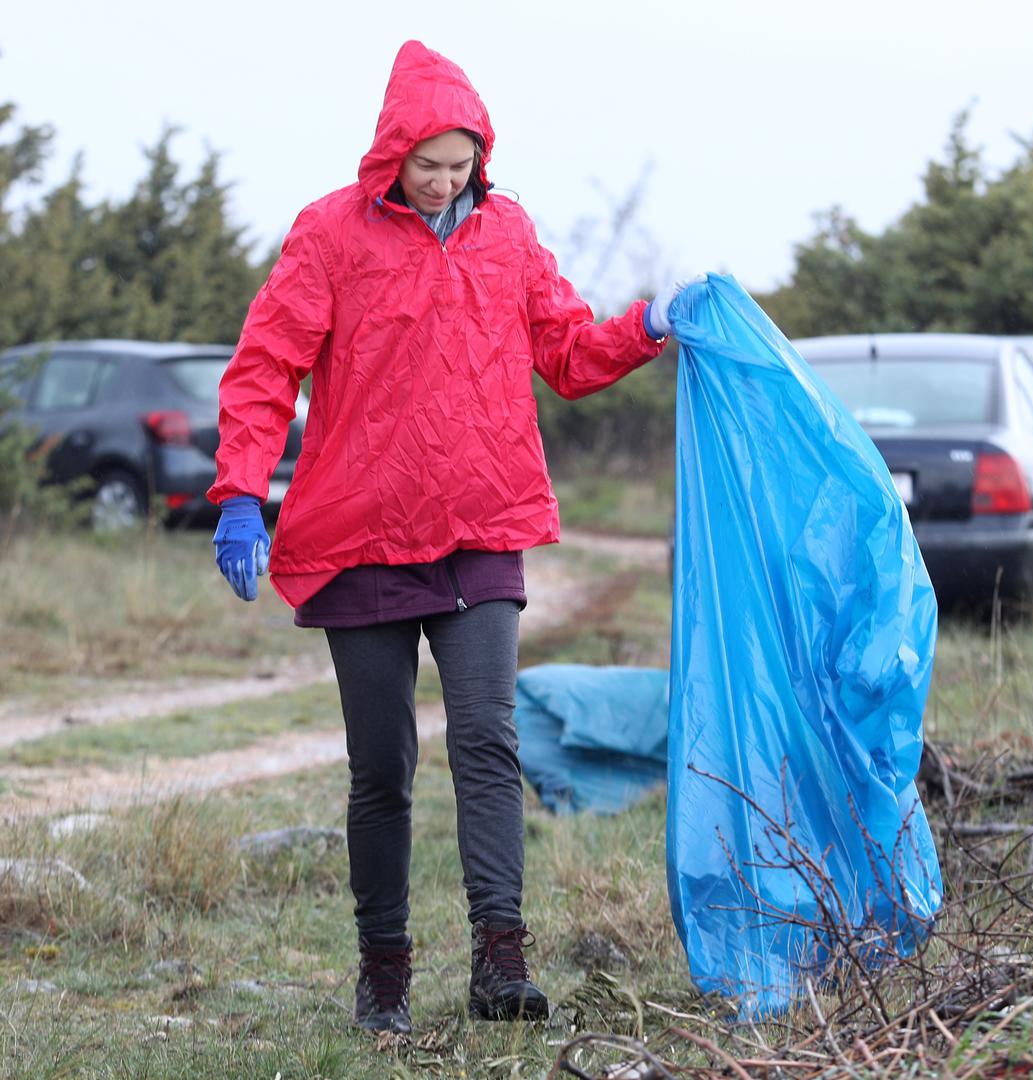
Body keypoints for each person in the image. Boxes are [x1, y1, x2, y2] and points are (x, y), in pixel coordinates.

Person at [209, 40, 701, 1035]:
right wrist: (239, 493)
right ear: (390, 153)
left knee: (486, 741)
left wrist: (649, 323)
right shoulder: (329, 234)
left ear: (483, 156)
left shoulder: (507, 232)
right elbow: (266, 367)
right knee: (381, 765)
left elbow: (567, 352)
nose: (442, 182)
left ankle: (500, 960)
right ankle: (383, 974)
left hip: (481, 523)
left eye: (458, 164)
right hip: (361, 533)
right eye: (425, 164)